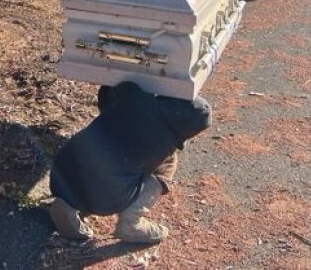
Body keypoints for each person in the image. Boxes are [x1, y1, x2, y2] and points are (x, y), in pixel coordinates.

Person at [48, 81, 211, 243]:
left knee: (110, 145)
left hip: (61, 170)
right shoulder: (165, 143)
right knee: (166, 167)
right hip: (104, 200)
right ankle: (131, 224)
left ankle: (69, 204)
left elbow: (106, 91)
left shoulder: (133, 91)